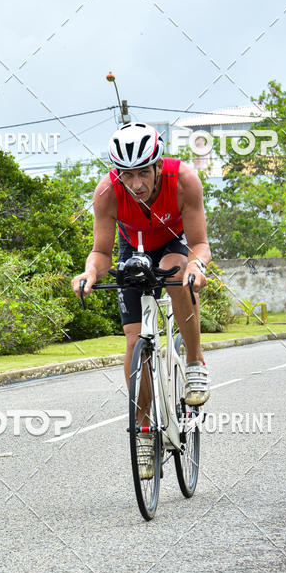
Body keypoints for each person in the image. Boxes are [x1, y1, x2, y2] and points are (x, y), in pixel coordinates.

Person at [72, 122, 212, 468]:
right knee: (135, 342)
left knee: (177, 274)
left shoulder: (184, 180)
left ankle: (194, 362)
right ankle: (143, 430)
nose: (136, 184)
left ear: (156, 166)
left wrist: (198, 268)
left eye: (143, 174)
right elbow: (101, 253)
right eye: (127, 175)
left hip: (174, 243)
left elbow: (199, 245)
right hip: (130, 248)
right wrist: (90, 273)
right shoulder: (107, 192)